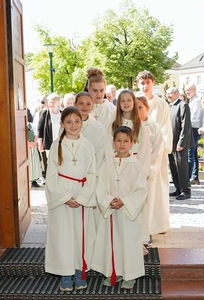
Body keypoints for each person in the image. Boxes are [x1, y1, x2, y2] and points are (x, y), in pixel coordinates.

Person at [44, 106, 96, 292]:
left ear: (82, 122)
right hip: (62, 196)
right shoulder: (56, 144)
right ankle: (65, 273)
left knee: (81, 235)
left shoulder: (88, 145)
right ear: (62, 124)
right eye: (69, 122)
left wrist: (82, 197)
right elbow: (50, 176)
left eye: (77, 121)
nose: (73, 125)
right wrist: (64, 197)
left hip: (82, 195)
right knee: (63, 236)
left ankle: (79, 271)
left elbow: (92, 173)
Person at [91, 126, 148, 290]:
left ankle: (130, 275)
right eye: (118, 141)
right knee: (111, 242)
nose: (122, 144)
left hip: (128, 211)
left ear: (131, 143)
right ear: (113, 143)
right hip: (110, 210)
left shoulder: (136, 166)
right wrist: (108, 200)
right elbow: (100, 185)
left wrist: (124, 201)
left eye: (126, 141)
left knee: (128, 242)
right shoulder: (107, 163)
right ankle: (111, 272)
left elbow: (141, 190)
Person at [136, 70, 172, 234]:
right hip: (139, 152)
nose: (145, 86)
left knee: (158, 189)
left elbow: (165, 127)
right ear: (138, 84)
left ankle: (159, 224)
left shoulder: (161, 103)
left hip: (157, 150)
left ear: (153, 83)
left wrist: (162, 149)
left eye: (147, 83)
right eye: (142, 83)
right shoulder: (135, 99)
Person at [75, 91, 108, 226]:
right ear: (75, 104)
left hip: (93, 175)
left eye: (88, 103)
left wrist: (95, 173)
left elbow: (102, 153)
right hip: (73, 176)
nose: (84, 106)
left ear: (92, 105)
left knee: (92, 219)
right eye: (81, 103)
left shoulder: (98, 128)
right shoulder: (67, 126)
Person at [136, 93, 164, 247]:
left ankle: (148, 232)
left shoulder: (154, 127)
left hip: (149, 171)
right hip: (135, 169)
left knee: (149, 202)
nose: (138, 111)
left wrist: (150, 169)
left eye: (140, 107)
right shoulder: (132, 125)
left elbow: (158, 149)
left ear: (147, 108)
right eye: (136, 108)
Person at [111, 89, 151, 177]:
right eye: (123, 101)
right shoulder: (114, 124)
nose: (126, 103)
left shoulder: (140, 126)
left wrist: (142, 173)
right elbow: (108, 147)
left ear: (134, 102)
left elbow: (144, 151)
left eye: (129, 100)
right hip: (116, 166)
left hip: (134, 167)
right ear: (119, 104)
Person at [167, 87, 194, 200]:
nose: (168, 95)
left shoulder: (183, 105)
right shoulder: (171, 106)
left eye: (170, 93)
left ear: (177, 94)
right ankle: (178, 188)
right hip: (171, 142)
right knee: (173, 166)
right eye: (167, 93)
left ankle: (185, 190)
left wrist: (181, 142)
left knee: (181, 166)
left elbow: (185, 125)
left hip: (179, 142)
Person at [185, 83, 204, 185]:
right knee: (193, 154)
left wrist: (187, 127)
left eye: (188, 90)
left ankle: (189, 177)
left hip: (193, 128)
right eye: (186, 91)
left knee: (190, 153)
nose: (187, 92)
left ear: (194, 89)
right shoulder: (193, 100)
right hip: (194, 128)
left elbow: (194, 116)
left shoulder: (196, 101)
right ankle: (194, 176)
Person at [85, 67, 116, 133]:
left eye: (101, 90)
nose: (99, 94)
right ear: (88, 89)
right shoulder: (82, 109)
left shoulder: (113, 110)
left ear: (105, 89)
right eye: (95, 90)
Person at [37, 92, 62, 166]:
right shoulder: (45, 113)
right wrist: (40, 143)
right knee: (51, 162)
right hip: (49, 142)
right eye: (50, 102)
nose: (52, 104)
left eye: (54, 102)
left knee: (61, 162)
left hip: (61, 142)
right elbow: (40, 128)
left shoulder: (62, 113)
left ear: (58, 103)